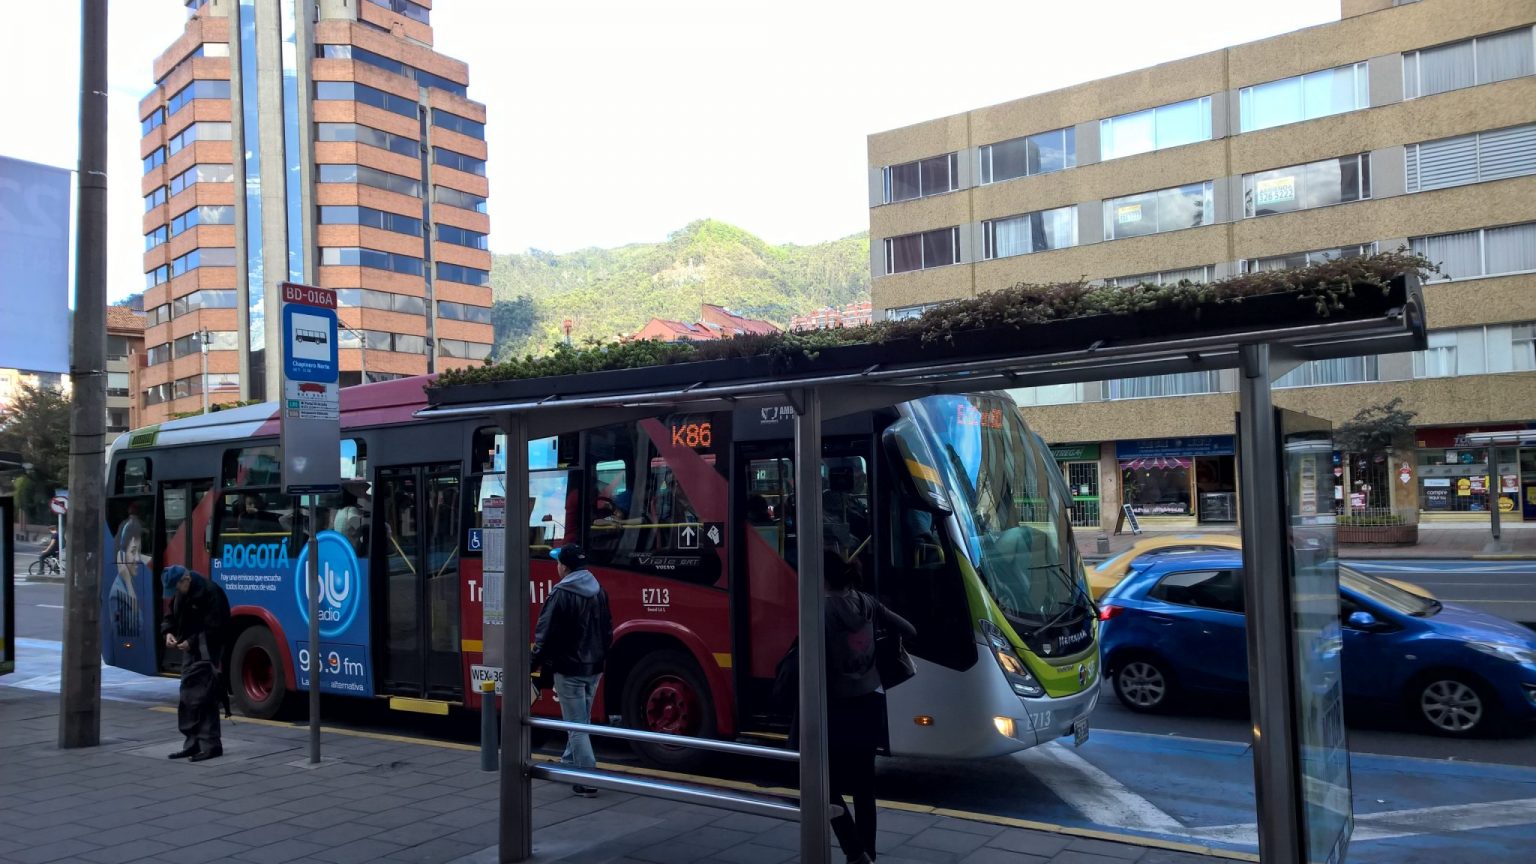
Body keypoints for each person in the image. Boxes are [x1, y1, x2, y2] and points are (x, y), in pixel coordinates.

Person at [823, 550, 915, 864]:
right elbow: (909, 630)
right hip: (871, 701)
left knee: (823, 783)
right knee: (864, 786)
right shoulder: (867, 603)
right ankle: (867, 855)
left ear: (821, 577)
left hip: (838, 706)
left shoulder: (821, 609)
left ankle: (854, 850)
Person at [530, 544, 613, 798]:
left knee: (576, 724)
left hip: (569, 669)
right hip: (594, 667)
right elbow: (607, 631)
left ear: (564, 567)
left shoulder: (561, 593)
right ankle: (569, 762)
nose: (556, 567)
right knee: (581, 719)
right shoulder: (599, 589)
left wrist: (531, 664)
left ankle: (587, 779)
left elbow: (544, 635)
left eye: (558, 563)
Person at [161, 565, 231, 762]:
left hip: (207, 649)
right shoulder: (181, 593)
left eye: (177, 588)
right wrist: (168, 632)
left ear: (186, 580)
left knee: (204, 695)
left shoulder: (211, 592)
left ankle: (211, 744)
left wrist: (191, 642)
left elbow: (217, 627)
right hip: (190, 648)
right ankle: (192, 743)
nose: (176, 592)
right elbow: (170, 616)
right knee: (188, 695)